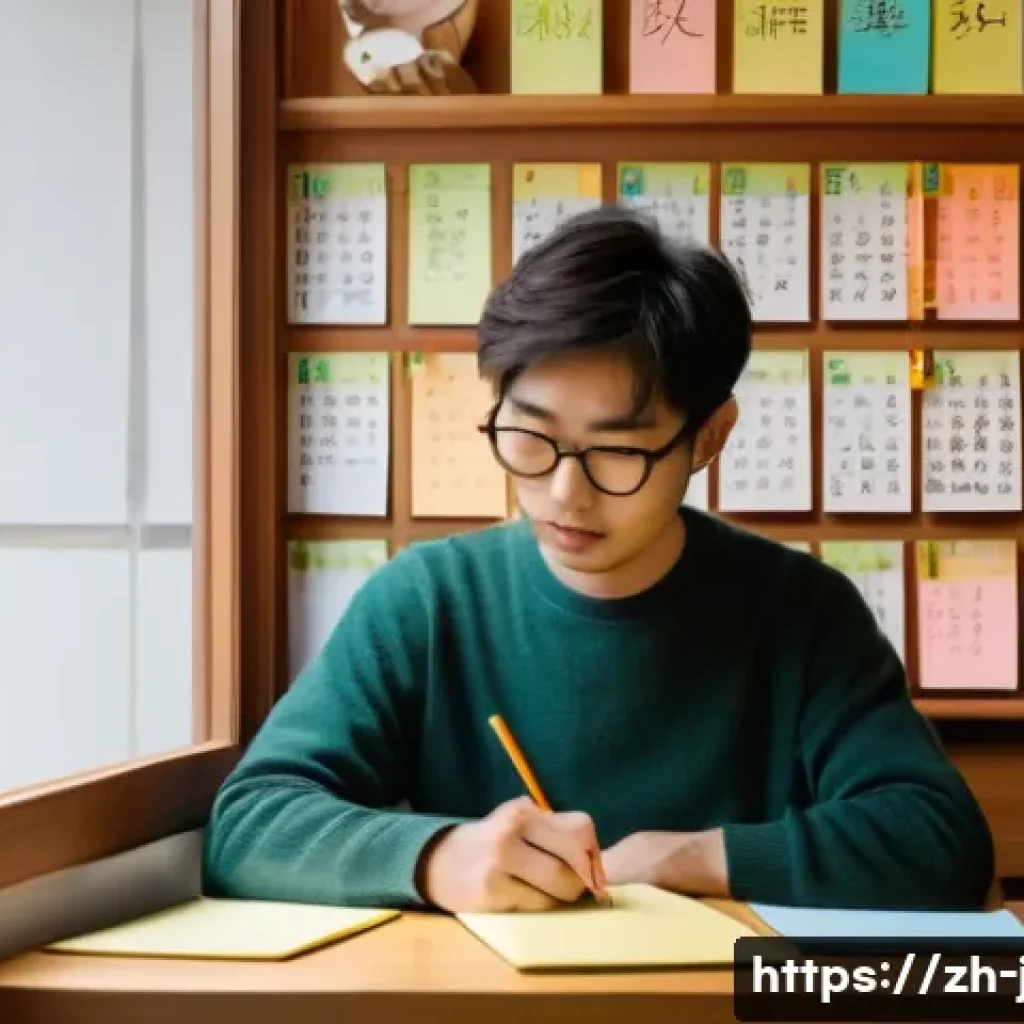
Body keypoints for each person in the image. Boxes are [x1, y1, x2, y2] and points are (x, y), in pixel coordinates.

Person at [203, 206, 995, 914]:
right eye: (530, 435)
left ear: (708, 438)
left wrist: (691, 857)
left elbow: (939, 842)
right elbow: (249, 824)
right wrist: (438, 858)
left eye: (617, 450)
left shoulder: (799, 612)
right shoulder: (428, 601)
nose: (564, 492)